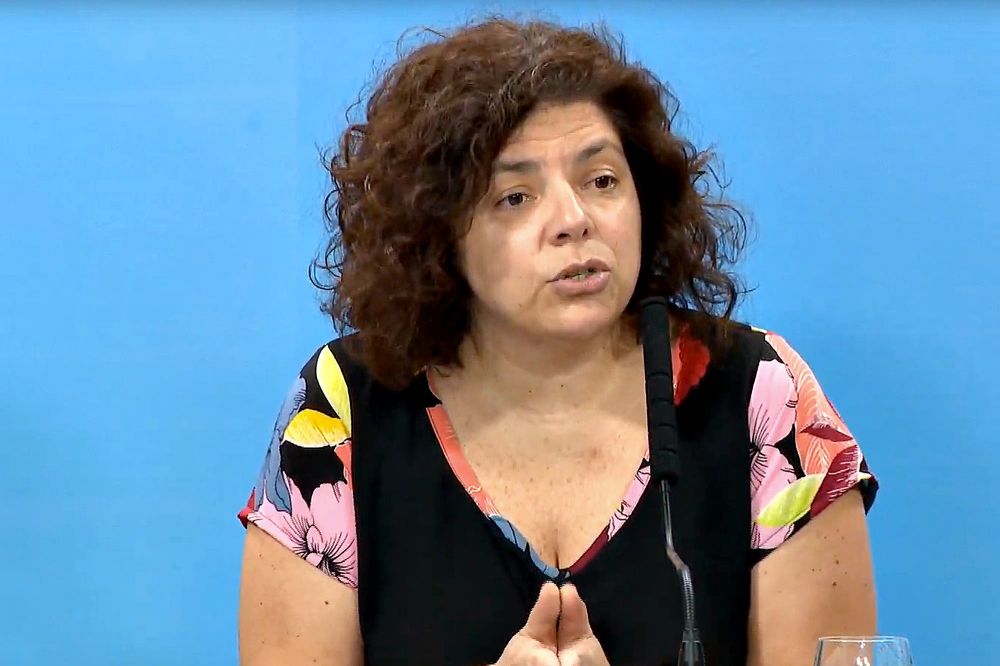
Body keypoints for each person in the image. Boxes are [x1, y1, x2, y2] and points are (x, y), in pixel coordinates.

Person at [237, 17, 878, 666]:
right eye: (516, 196)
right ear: (437, 231)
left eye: (601, 180)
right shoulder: (342, 409)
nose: (574, 220)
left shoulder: (764, 396)